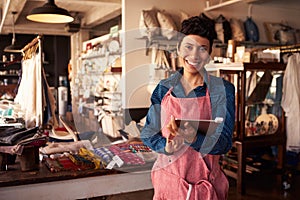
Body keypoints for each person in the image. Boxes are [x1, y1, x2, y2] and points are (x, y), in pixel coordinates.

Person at [141, 16, 235, 200]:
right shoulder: (163, 88)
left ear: (209, 54)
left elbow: (224, 142)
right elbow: (148, 133)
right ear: (178, 49)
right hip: (168, 183)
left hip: (206, 186)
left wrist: (192, 137)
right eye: (188, 47)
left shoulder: (222, 90)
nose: (194, 56)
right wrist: (166, 147)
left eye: (202, 49)